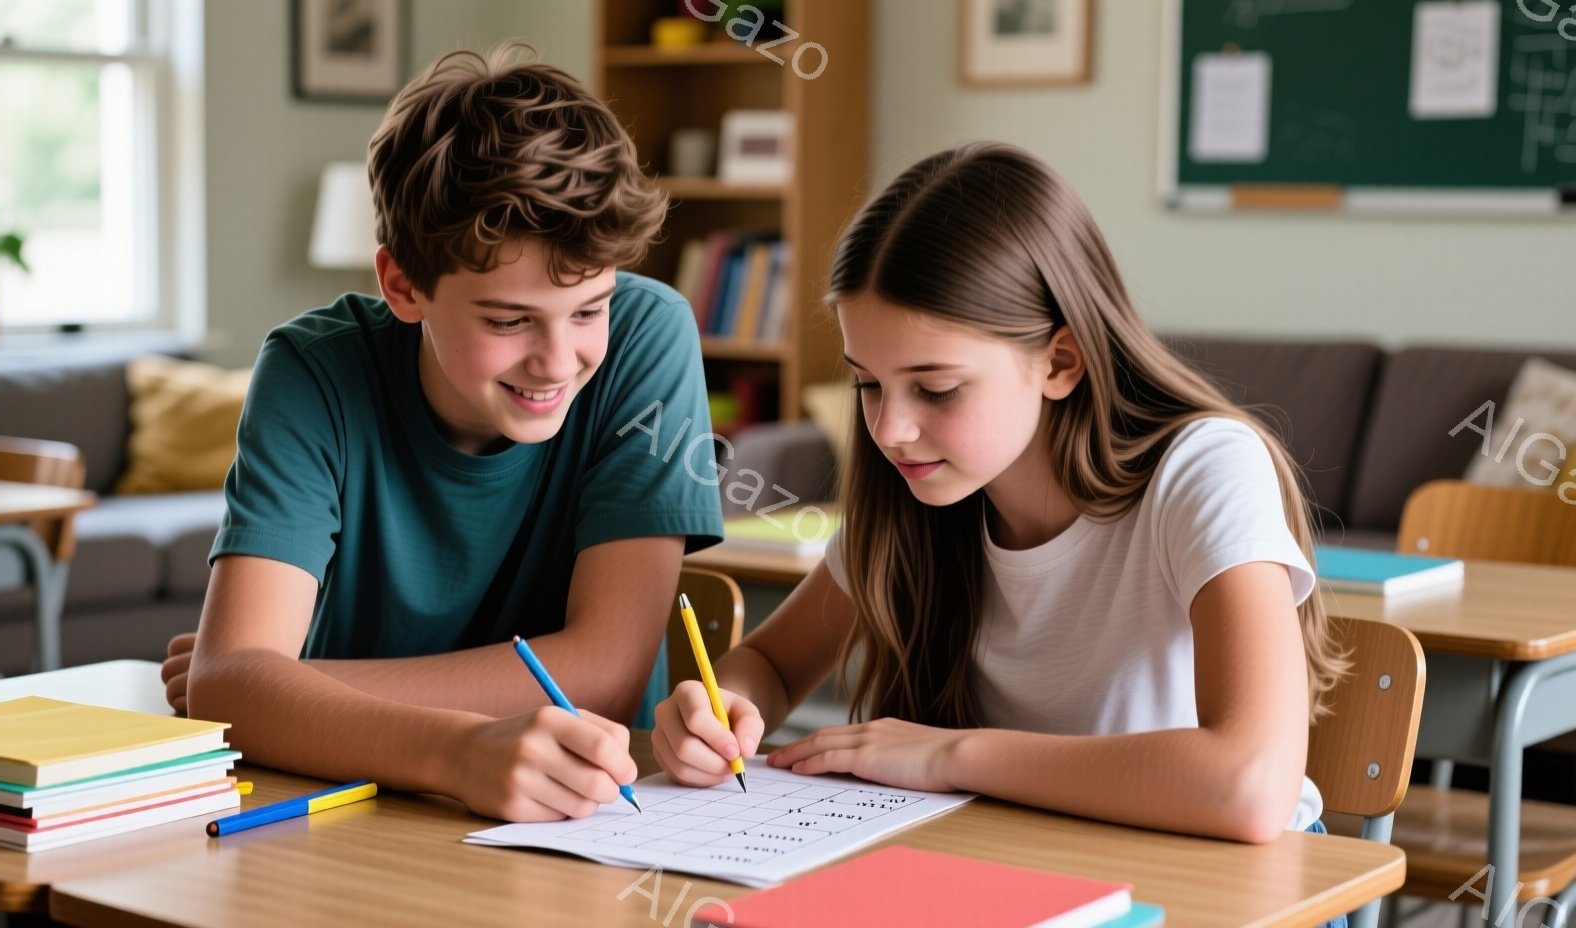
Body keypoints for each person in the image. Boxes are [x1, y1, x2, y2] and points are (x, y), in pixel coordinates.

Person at [652, 142, 1349, 846]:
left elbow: (1251, 786)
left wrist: (952, 754)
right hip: (1024, 861)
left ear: (1060, 361)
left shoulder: (1205, 468)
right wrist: (723, 708)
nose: (890, 429)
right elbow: (770, 664)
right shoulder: (920, 497)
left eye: (937, 388)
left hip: (1233, 889)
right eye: (868, 383)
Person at [163, 43, 723, 823]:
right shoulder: (312, 371)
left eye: (589, 308)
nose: (559, 361)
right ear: (402, 284)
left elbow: (606, 675)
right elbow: (235, 689)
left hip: (589, 810)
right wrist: (453, 751)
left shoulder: (646, 336)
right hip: (356, 813)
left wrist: (286, 684)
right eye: (507, 319)